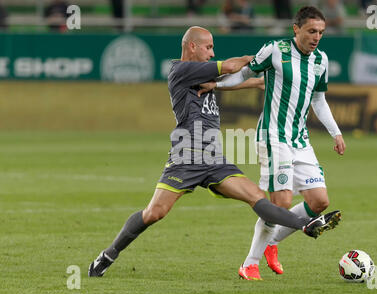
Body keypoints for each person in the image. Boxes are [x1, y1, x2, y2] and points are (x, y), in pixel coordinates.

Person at [88, 26, 342, 278]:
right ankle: (109, 254)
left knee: (257, 197)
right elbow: (232, 67)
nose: (212, 53)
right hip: (186, 156)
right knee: (155, 213)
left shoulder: (202, 74)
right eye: (208, 47)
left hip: (213, 159)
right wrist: (267, 55)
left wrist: (265, 81)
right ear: (192, 46)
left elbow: (232, 81)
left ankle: (307, 224)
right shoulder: (181, 69)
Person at [198, 6, 346, 280]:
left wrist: (335, 132)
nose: (317, 37)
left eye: (321, 32)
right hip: (272, 135)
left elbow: (318, 99)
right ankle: (249, 263)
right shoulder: (275, 50)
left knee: (319, 200)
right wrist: (216, 86)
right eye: (312, 31)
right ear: (296, 29)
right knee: (280, 203)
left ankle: (273, 242)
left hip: (299, 139)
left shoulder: (320, 60)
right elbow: (244, 75)